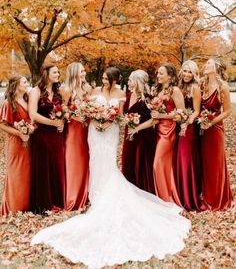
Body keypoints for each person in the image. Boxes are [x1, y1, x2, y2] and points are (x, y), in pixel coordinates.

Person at [31, 66, 190, 269]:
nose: (104, 81)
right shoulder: (94, 91)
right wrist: (96, 120)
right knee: (95, 161)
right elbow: (87, 110)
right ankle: (95, 195)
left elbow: (120, 114)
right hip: (95, 133)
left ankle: (107, 194)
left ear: (115, 80)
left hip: (111, 130)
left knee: (109, 162)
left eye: (107, 79)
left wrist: (108, 122)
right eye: (103, 78)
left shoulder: (122, 93)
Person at [130, 63, 184, 204]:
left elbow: (181, 115)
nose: (157, 76)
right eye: (158, 73)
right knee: (162, 165)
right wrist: (137, 128)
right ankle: (161, 196)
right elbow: (154, 119)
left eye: (161, 73)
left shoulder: (176, 91)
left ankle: (166, 199)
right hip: (157, 131)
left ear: (170, 76)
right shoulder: (158, 92)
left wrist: (162, 116)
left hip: (169, 132)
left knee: (157, 164)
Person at [29, 63, 65, 214]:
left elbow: (62, 111)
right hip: (42, 135)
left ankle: (56, 201)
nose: (58, 75)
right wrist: (53, 122)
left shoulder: (58, 92)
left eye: (58, 72)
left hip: (56, 135)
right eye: (55, 72)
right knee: (43, 167)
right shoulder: (36, 91)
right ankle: (44, 204)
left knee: (55, 166)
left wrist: (61, 122)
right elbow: (33, 115)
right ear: (46, 74)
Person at [200, 58, 232, 211]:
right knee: (204, 163)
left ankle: (217, 199)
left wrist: (211, 122)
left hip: (215, 130)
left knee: (215, 163)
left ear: (217, 67)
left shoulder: (222, 86)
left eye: (209, 64)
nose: (206, 65)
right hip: (201, 130)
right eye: (205, 64)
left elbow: (227, 111)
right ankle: (205, 196)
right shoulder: (201, 84)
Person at [175, 60, 206, 211]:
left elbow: (196, 110)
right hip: (175, 125)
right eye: (185, 71)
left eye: (190, 72)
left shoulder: (195, 88)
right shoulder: (177, 86)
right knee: (176, 158)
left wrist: (187, 122)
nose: (187, 74)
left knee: (185, 159)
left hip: (188, 128)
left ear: (194, 74)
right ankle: (176, 194)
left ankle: (188, 196)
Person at [61, 62, 91, 211]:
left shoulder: (87, 89)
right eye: (82, 71)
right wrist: (73, 116)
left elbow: (91, 107)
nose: (84, 73)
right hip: (73, 130)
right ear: (74, 72)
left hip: (86, 129)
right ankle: (72, 198)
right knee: (73, 161)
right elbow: (62, 108)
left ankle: (85, 195)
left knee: (86, 160)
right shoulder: (66, 90)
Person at [0, 76, 31, 215]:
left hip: (29, 142)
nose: (27, 84)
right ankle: (14, 206)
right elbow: (2, 125)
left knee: (27, 173)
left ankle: (26, 203)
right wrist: (19, 133)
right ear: (17, 85)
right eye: (24, 82)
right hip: (15, 143)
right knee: (16, 173)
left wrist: (30, 130)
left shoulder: (28, 100)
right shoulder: (8, 103)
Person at [122, 69, 156, 193]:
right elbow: (124, 114)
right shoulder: (128, 95)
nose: (129, 82)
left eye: (131, 80)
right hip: (129, 135)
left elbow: (154, 120)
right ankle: (128, 192)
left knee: (140, 164)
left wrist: (137, 128)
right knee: (128, 161)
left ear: (137, 81)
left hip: (144, 137)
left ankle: (142, 192)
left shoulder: (148, 98)